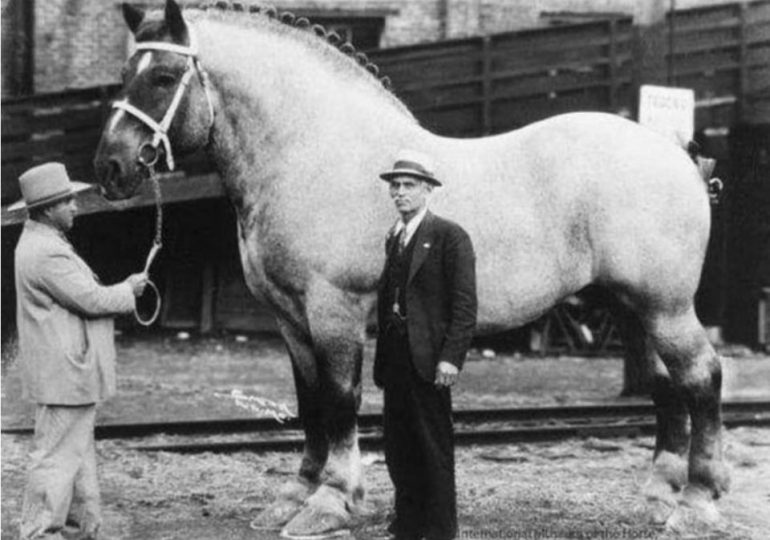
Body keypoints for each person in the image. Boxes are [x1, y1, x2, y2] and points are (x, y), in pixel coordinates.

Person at [11, 162, 147, 540]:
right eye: (67, 200)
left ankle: (78, 529)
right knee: (57, 458)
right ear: (47, 208)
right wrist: (128, 290)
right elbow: (90, 299)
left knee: (75, 457)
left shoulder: (44, 242)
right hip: (64, 372)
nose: (75, 206)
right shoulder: (46, 252)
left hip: (65, 372)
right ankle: (40, 533)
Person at [374, 150, 477, 540]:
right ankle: (407, 524)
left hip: (431, 359)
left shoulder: (449, 236)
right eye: (395, 186)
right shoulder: (395, 236)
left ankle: (438, 531)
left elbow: (465, 305)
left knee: (432, 446)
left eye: (409, 186)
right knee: (399, 446)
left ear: (428, 190)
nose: (399, 193)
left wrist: (451, 358)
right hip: (397, 357)